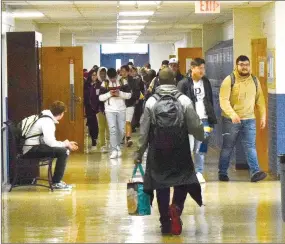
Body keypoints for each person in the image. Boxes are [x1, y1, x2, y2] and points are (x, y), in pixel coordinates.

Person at [135, 68, 205, 235]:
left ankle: (165, 222)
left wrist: (138, 153)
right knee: (183, 180)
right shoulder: (184, 99)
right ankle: (177, 208)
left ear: (158, 81)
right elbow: (195, 125)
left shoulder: (151, 102)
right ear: (174, 81)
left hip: (158, 150)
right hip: (180, 148)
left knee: (161, 185)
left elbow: (144, 131)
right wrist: (201, 136)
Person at [219, 55, 267, 182]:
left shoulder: (255, 81)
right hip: (230, 120)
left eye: (246, 65)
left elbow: (260, 100)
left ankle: (255, 172)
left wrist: (263, 116)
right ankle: (222, 172)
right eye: (241, 65)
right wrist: (232, 114)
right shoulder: (229, 80)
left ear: (249, 65)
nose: (244, 67)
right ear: (236, 66)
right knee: (228, 147)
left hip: (249, 119)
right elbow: (223, 101)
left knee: (250, 146)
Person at [177, 58, 217, 183]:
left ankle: (199, 172)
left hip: (204, 120)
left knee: (201, 149)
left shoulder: (206, 82)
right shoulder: (183, 83)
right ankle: (186, 173)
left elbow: (209, 100)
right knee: (188, 148)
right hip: (189, 121)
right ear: (192, 68)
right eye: (200, 68)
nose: (202, 71)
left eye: (203, 68)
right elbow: (178, 104)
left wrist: (210, 119)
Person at [23, 101, 78, 190]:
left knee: (63, 149)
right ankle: (56, 182)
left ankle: (57, 181)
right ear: (61, 114)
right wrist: (65, 144)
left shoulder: (43, 117)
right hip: (31, 149)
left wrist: (64, 143)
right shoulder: (47, 122)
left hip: (30, 147)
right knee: (64, 152)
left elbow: (47, 141)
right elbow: (51, 143)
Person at [99, 68, 131, 159]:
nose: (112, 80)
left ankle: (117, 146)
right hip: (109, 110)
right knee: (112, 130)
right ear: (108, 76)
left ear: (117, 75)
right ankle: (114, 150)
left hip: (121, 109)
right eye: (110, 78)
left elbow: (129, 95)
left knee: (121, 130)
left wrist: (119, 93)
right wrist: (109, 94)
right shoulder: (104, 83)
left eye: (114, 77)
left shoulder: (122, 81)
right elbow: (100, 98)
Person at [120, 65, 140, 147]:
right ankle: (122, 137)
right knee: (121, 122)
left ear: (128, 72)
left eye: (125, 71)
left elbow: (137, 92)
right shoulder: (118, 81)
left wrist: (133, 99)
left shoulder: (133, 81)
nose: (123, 73)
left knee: (128, 121)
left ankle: (128, 138)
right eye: (122, 71)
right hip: (120, 105)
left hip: (130, 104)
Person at [97, 67, 110, 152]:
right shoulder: (96, 84)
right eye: (101, 73)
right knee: (101, 128)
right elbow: (94, 98)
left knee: (109, 127)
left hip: (109, 108)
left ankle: (109, 143)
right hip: (99, 109)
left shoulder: (109, 83)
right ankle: (102, 145)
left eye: (104, 73)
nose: (103, 75)